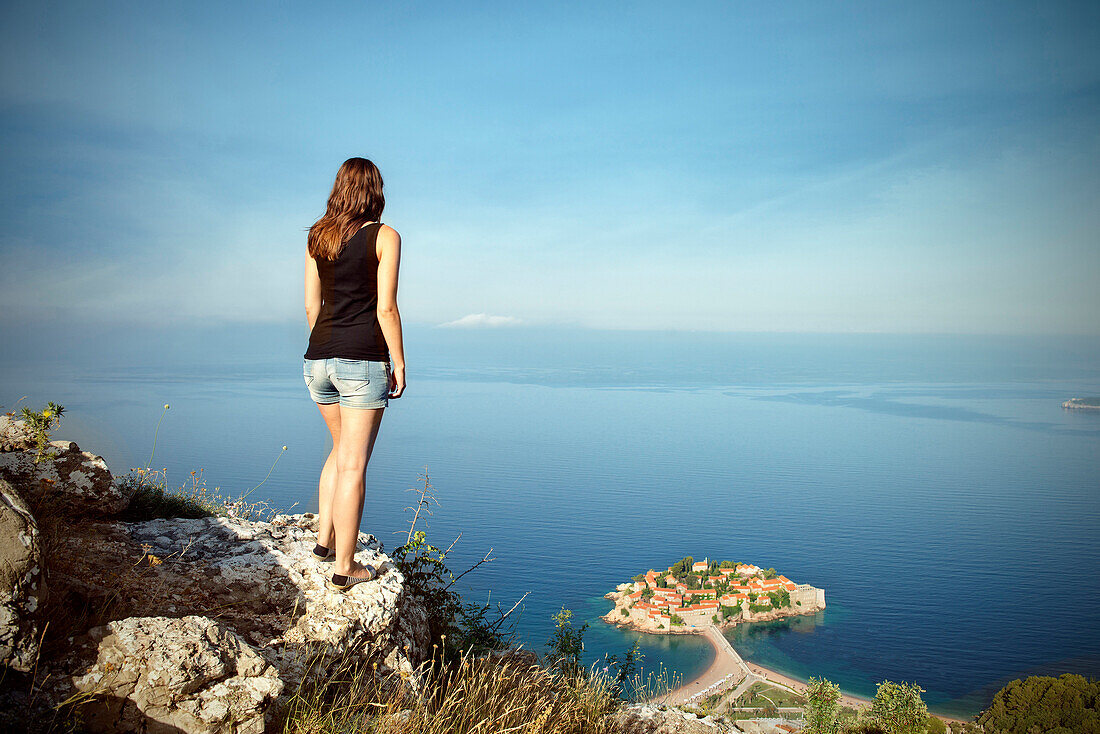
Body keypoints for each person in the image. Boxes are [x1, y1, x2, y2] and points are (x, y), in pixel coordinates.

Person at [302, 157, 406, 591]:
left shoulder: (317, 236)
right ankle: (346, 565)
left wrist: (328, 348)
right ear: (375, 191)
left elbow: (311, 306)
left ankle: (324, 541)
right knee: (354, 465)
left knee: (339, 450)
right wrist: (398, 360)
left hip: (317, 358)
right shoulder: (385, 237)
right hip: (362, 359)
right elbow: (385, 307)